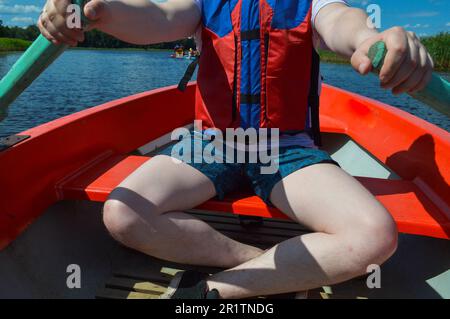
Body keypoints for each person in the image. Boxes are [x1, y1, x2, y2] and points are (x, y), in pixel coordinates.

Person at [39, 0, 434, 299]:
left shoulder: (312, 3)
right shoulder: (201, 4)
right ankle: (257, 260)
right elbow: (156, 15)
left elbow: (341, 22)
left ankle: (215, 292)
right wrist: (100, 9)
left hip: (285, 149)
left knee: (374, 236)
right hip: (211, 143)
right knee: (123, 213)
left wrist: (370, 39)